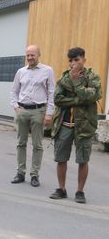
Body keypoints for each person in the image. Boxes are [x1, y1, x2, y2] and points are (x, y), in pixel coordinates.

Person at [49, 47, 101, 204]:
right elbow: (57, 99)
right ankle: (61, 189)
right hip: (65, 124)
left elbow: (92, 96)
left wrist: (77, 83)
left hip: (84, 125)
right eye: (71, 61)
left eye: (77, 60)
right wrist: (78, 100)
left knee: (83, 160)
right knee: (61, 158)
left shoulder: (93, 77)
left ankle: (80, 191)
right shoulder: (64, 77)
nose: (73, 64)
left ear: (84, 59)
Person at [10, 45, 56, 187]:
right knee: (20, 143)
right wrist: (16, 108)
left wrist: (49, 114)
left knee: (37, 144)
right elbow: (14, 91)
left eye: (32, 55)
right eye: (28, 55)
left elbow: (51, 93)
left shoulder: (47, 71)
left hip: (38, 111)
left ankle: (34, 175)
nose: (30, 58)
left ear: (39, 55)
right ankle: (20, 173)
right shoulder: (21, 71)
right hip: (22, 110)